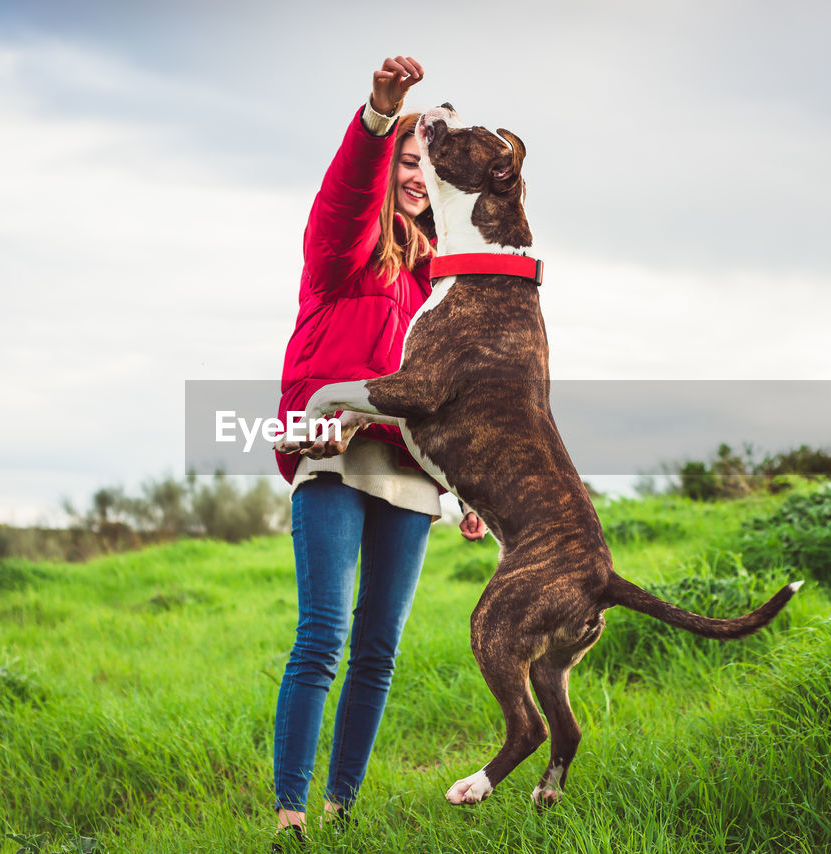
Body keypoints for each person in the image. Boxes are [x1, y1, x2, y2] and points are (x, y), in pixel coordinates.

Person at [271, 55, 486, 845]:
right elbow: (347, 194)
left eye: (425, 166)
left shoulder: (439, 286)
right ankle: (291, 816)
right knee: (323, 635)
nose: (416, 176)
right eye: (406, 160)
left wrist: (465, 488)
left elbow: (454, 395)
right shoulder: (342, 255)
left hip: (411, 472)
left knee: (379, 648)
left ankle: (341, 811)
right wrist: (377, 116)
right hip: (334, 451)